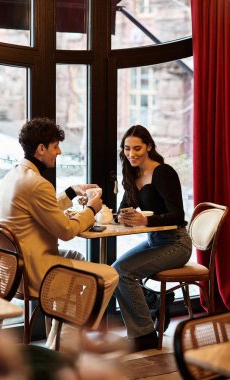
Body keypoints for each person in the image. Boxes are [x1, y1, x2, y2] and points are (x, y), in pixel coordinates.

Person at [0, 117, 119, 348]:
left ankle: (60, 338)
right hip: (34, 270)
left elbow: (43, 207)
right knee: (108, 275)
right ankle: (67, 345)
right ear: (41, 149)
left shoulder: (14, 175)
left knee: (78, 259)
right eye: (55, 146)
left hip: (14, 267)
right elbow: (66, 231)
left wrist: (71, 192)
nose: (59, 151)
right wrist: (93, 208)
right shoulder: (36, 183)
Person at [112, 125, 192, 352]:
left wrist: (145, 221)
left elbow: (178, 215)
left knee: (123, 272)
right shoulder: (132, 173)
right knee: (116, 269)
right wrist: (120, 217)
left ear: (148, 146)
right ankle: (154, 302)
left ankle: (145, 336)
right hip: (155, 241)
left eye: (137, 148)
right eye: (127, 149)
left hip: (176, 243)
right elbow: (124, 208)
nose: (131, 154)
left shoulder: (163, 172)